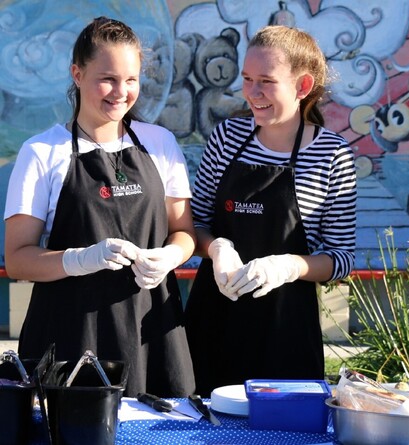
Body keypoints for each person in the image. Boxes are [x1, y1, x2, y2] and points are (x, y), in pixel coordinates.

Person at [4, 17, 196, 397]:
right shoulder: (42, 153)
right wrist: (82, 258)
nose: (120, 92)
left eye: (131, 80)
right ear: (77, 74)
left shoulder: (160, 144)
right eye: (107, 78)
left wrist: (170, 257)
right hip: (73, 338)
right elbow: (18, 259)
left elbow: (184, 232)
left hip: (152, 333)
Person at [184, 25, 357, 395]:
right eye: (247, 79)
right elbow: (194, 225)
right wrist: (217, 249)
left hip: (285, 331)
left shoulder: (332, 154)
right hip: (214, 320)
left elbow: (341, 257)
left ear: (303, 86)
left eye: (266, 81)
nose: (252, 93)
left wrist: (289, 266)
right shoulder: (227, 138)